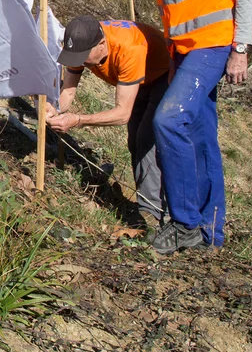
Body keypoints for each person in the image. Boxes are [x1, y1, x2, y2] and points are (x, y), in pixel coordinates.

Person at [131, 0, 252, 254]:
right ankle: (210, 234)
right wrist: (172, 56)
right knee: (201, 136)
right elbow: (172, 7)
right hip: (183, 52)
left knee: (168, 120)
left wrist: (240, 48)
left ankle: (185, 223)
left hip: (214, 44)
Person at [46, 15, 171, 226]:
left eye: (83, 57)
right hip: (136, 80)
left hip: (164, 76)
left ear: (102, 44)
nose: (80, 62)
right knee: (135, 142)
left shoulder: (129, 48)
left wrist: (78, 120)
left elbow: (122, 114)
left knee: (147, 139)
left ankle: (156, 212)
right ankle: (151, 204)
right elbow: (68, 93)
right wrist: (54, 108)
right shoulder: (82, 42)